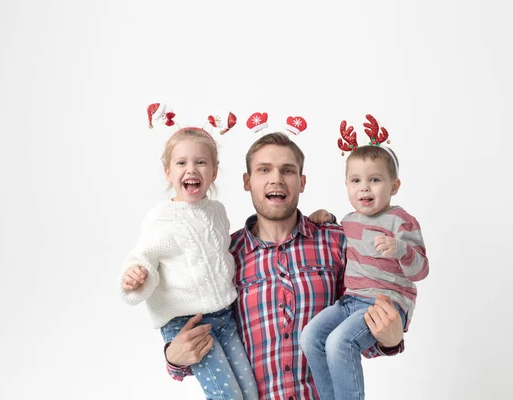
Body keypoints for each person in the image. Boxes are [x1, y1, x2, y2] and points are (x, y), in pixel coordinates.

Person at [164, 132, 406, 399]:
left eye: (287, 170)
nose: (276, 179)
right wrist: (174, 358)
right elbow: (211, 344)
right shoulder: (224, 257)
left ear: (302, 182)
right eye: (264, 169)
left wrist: (389, 340)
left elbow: (353, 337)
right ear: (247, 181)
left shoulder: (337, 242)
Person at [119, 127, 258, 400]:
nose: (191, 169)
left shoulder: (218, 212)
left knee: (250, 393)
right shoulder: (163, 218)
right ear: (168, 172)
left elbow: (218, 256)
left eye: (201, 162)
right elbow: (143, 255)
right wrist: (136, 275)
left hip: (225, 318)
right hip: (188, 322)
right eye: (181, 163)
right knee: (226, 395)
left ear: (214, 172)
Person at [301, 144, 429, 399]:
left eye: (375, 179)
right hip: (351, 301)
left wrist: (400, 248)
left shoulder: (400, 221)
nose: (364, 187)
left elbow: (421, 271)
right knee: (310, 337)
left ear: (394, 186)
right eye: (356, 180)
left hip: (386, 304)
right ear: (346, 185)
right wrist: (327, 217)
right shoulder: (349, 220)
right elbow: (341, 234)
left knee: (339, 343)